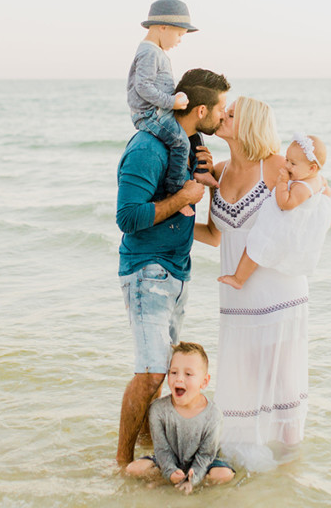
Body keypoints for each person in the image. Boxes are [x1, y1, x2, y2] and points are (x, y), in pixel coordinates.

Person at [116, 68, 231, 466]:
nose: (224, 116)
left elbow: (203, 229)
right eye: (221, 109)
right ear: (201, 109)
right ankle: (120, 464)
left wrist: (210, 183)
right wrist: (183, 194)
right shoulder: (148, 148)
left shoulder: (190, 146)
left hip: (178, 274)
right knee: (150, 374)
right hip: (147, 269)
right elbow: (128, 217)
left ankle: (150, 457)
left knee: (161, 374)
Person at [193, 96, 311, 471]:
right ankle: (253, 465)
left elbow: (318, 190)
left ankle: (289, 471)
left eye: (231, 115)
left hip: (277, 297)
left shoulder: (276, 166)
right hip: (236, 299)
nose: (222, 117)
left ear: (251, 126)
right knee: (243, 379)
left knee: (280, 382)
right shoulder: (222, 171)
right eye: (224, 113)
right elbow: (215, 235)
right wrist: (164, 226)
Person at [127, 0, 217, 218]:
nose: (179, 40)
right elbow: (143, 87)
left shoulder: (156, 51)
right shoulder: (149, 52)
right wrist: (172, 102)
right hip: (150, 114)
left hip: (161, 109)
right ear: (162, 27)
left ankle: (201, 171)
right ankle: (175, 192)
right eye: (178, 34)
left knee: (193, 128)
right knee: (180, 141)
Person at [218, 134, 331, 289]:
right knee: (256, 246)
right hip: (291, 223)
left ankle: (239, 279)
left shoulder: (302, 187)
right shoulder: (315, 178)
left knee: (256, 245)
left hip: (283, 224)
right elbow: (326, 192)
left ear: (312, 168)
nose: (287, 166)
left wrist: (282, 182)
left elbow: (285, 203)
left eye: (293, 163)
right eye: (287, 160)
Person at [123, 342, 235, 494]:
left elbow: (206, 455)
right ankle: (170, 479)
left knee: (224, 475)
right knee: (133, 469)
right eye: (174, 372)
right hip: (169, 458)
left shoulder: (213, 415)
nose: (179, 379)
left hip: (204, 463)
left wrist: (192, 479)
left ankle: (190, 483)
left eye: (188, 374)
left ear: (204, 381)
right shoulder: (158, 409)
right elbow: (162, 450)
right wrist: (170, 472)